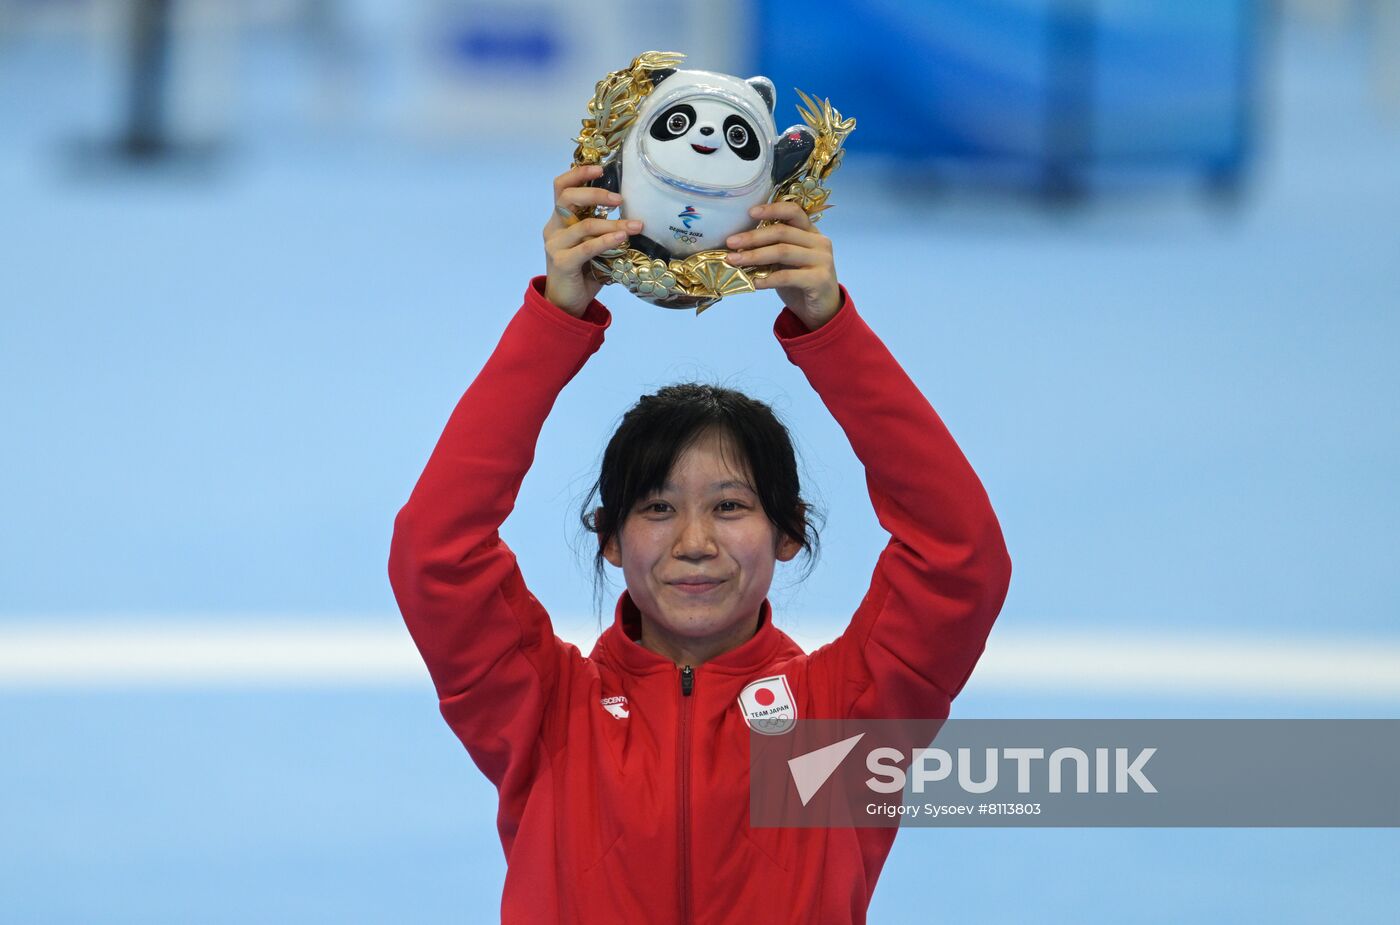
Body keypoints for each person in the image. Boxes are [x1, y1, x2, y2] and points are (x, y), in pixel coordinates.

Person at [388, 165, 1012, 924]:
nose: (694, 541)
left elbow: (961, 555)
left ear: (787, 533)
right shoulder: (547, 714)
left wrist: (829, 327)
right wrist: (555, 317)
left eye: (730, 505)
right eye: (656, 507)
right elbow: (435, 552)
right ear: (611, 540)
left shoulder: (843, 721)